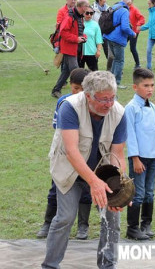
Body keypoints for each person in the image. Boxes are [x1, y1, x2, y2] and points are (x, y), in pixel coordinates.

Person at [42, 70, 128, 269]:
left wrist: (117, 190)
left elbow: (119, 155)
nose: (109, 104)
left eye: (112, 98)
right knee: (65, 217)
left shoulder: (119, 113)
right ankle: (50, 266)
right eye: (103, 99)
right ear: (88, 96)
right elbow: (72, 152)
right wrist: (93, 182)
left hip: (103, 172)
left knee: (112, 216)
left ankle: (108, 265)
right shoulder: (69, 107)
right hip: (68, 169)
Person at [38, 68, 91, 240]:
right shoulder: (63, 102)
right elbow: (58, 129)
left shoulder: (91, 103)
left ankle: (83, 225)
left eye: (82, 89)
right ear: (70, 86)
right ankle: (48, 222)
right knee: (56, 187)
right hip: (63, 152)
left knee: (85, 188)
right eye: (75, 88)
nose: (78, 93)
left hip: (85, 153)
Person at [124, 68, 155, 240]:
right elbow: (131, 134)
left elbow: (148, 131)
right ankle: (132, 227)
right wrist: (135, 158)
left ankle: (146, 224)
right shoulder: (131, 108)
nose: (150, 89)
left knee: (150, 191)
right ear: (135, 87)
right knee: (138, 192)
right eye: (146, 85)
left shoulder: (153, 107)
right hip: (139, 158)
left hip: (152, 156)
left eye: (152, 85)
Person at [50, 0, 90, 99]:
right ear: (82, 6)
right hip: (68, 48)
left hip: (74, 47)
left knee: (66, 72)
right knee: (76, 71)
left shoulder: (79, 16)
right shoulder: (69, 17)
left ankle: (56, 90)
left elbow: (79, 30)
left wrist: (83, 37)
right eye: (87, 6)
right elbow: (63, 33)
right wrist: (76, 39)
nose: (88, 8)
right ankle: (84, 92)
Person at [103, 0, 137, 89]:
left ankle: (111, 81)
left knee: (115, 59)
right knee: (119, 60)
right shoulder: (125, 11)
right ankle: (116, 83)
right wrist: (133, 33)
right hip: (118, 38)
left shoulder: (115, 6)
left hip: (109, 36)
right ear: (129, 3)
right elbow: (125, 27)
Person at [92, 0, 113, 70]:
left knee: (108, 52)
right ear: (99, 0)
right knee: (95, 52)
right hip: (96, 34)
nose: (105, 0)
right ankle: (94, 69)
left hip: (105, 33)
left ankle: (111, 69)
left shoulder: (108, 8)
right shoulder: (92, 9)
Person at [80, 6, 103, 71]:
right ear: (83, 13)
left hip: (92, 53)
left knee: (94, 73)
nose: (89, 15)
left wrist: (98, 50)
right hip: (80, 53)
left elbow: (99, 40)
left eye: (91, 13)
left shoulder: (95, 25)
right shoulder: (79, 23)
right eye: (87, 13)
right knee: (78, 73)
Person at [127, 0, 145, 69]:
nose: (127, 1)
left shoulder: (134, 9)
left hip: (134, 32)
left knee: (132, 48)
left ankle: (138, 64)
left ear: (132, 0)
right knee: (120, 46)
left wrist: (138, 24)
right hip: (126, 31)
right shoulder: (124, 8)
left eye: (129, 0)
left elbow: (142, 19)